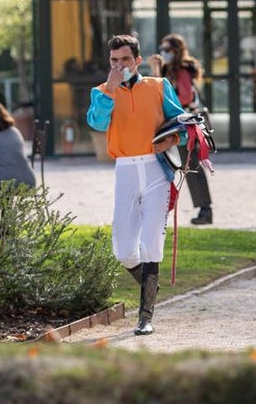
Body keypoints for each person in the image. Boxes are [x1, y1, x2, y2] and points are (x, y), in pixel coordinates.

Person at [87, 34, 185, 336]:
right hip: (125, 169)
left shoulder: (158, 86)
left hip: (156, 169)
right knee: (124, 249)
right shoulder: (102, 91)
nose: (119, 65)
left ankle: (145, 317)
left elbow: (181, 122)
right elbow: (96, 123)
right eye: (114, 61)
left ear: (137, 60)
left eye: (125, 60)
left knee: (150, 242)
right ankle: (150, 287)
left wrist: (172, 138)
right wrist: (110, 91)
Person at [149, 33, 215, 226]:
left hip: (184, 125)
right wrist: (156, 69)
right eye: (162, 49)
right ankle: (162, 207)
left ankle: (205, 210)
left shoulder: (183, 70)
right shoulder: (167, 69)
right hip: (172, 124)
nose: (164, 53)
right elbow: (155, 91)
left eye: (167, 50)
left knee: (191, 165)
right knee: (167, 166)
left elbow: (183, 98)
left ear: (177, 50)